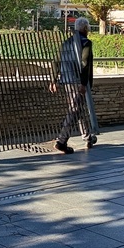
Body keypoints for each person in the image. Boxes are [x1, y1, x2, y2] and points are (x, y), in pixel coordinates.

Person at [49, 16, 97, 153]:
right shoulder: (86, 43)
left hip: (66, 80)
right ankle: (61, 141)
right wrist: (84, 83)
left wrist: (53, 80)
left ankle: (87, 137)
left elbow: (55, 62)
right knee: (75, 110)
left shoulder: (66, 43)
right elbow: (85, 63)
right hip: (78, 81)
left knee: (77, 108)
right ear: (85, 28)